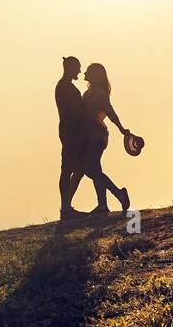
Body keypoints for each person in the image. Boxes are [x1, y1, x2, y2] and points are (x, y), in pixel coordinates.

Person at [80, 62, 131, 214]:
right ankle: (102, 205)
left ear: (95, 74)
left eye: (88, 71)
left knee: (90, 169)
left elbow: (110, 112)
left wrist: (122, 129)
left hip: (97, 135)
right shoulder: (91, 92)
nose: (84, 74)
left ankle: (119, 194)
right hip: (90, 136)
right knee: (95, 169)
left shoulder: (99, 93)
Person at [55, 56, 88, 219]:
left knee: (79, 169)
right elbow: (76, 110)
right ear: (70, 68)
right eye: (78, 68)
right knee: (67, 169)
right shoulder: (65, 86)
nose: (80, 71)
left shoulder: (67, 86)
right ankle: (65, 208)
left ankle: (67, 206)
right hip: (71, 132)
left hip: (74, 132)